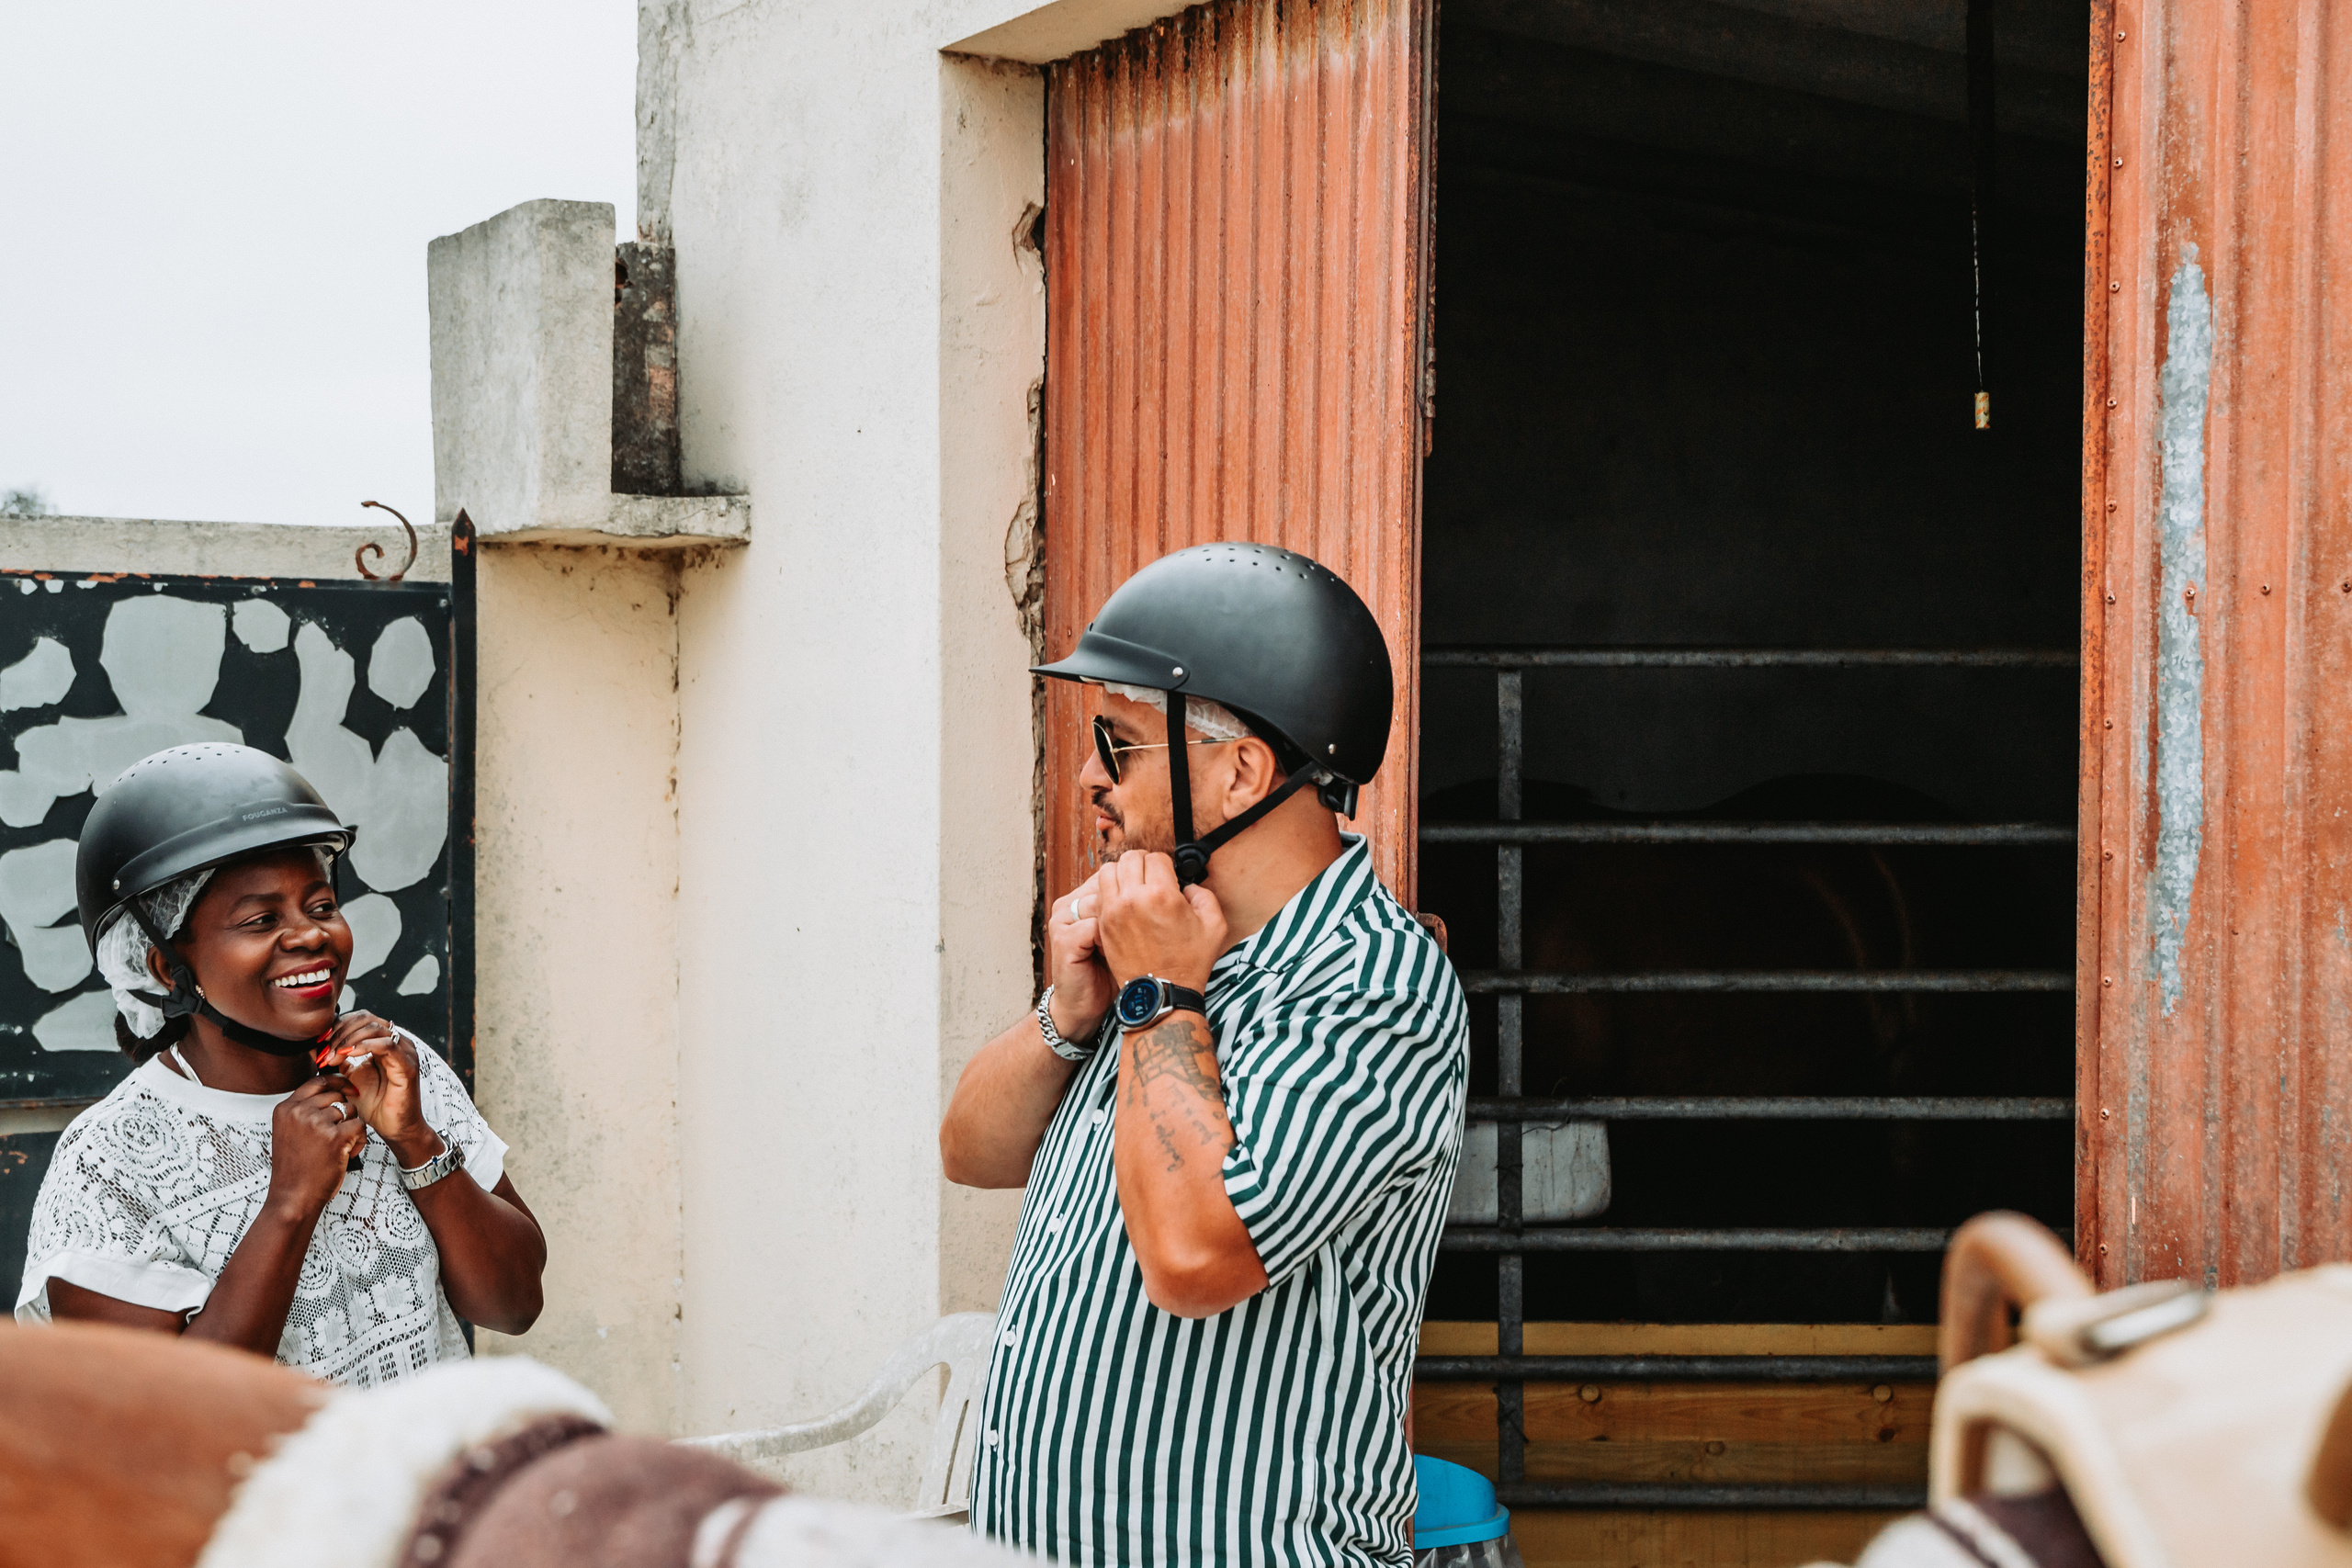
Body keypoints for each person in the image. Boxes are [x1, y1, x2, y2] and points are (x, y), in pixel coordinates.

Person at [940, 542, 1468, 1568]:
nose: (1090, 776)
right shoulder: (1161, 945)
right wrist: (1071, 1011)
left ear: (1241, 773)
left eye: (1119, 742)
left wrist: (1158, 994)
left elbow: (1194, 1259)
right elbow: (971, 1151)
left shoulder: (1374, 985)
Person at [14, 742, 544, 1386]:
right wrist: (290, 1200)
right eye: (262, 919)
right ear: (166, 967)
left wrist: (414, 1139)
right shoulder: (109, 1161)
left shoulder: (394, 1066)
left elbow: (515, 1304)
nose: (312, 934)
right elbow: (165, 1417)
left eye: (321, 906)